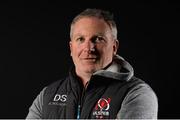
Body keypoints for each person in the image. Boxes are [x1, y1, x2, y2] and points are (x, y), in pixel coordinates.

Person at [26, 8, 158, 119]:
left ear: (114, 47)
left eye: (98, 39)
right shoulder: (48, 95)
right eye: (80, 39)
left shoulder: (137, 94)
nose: (89, 48)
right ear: (71, 48)